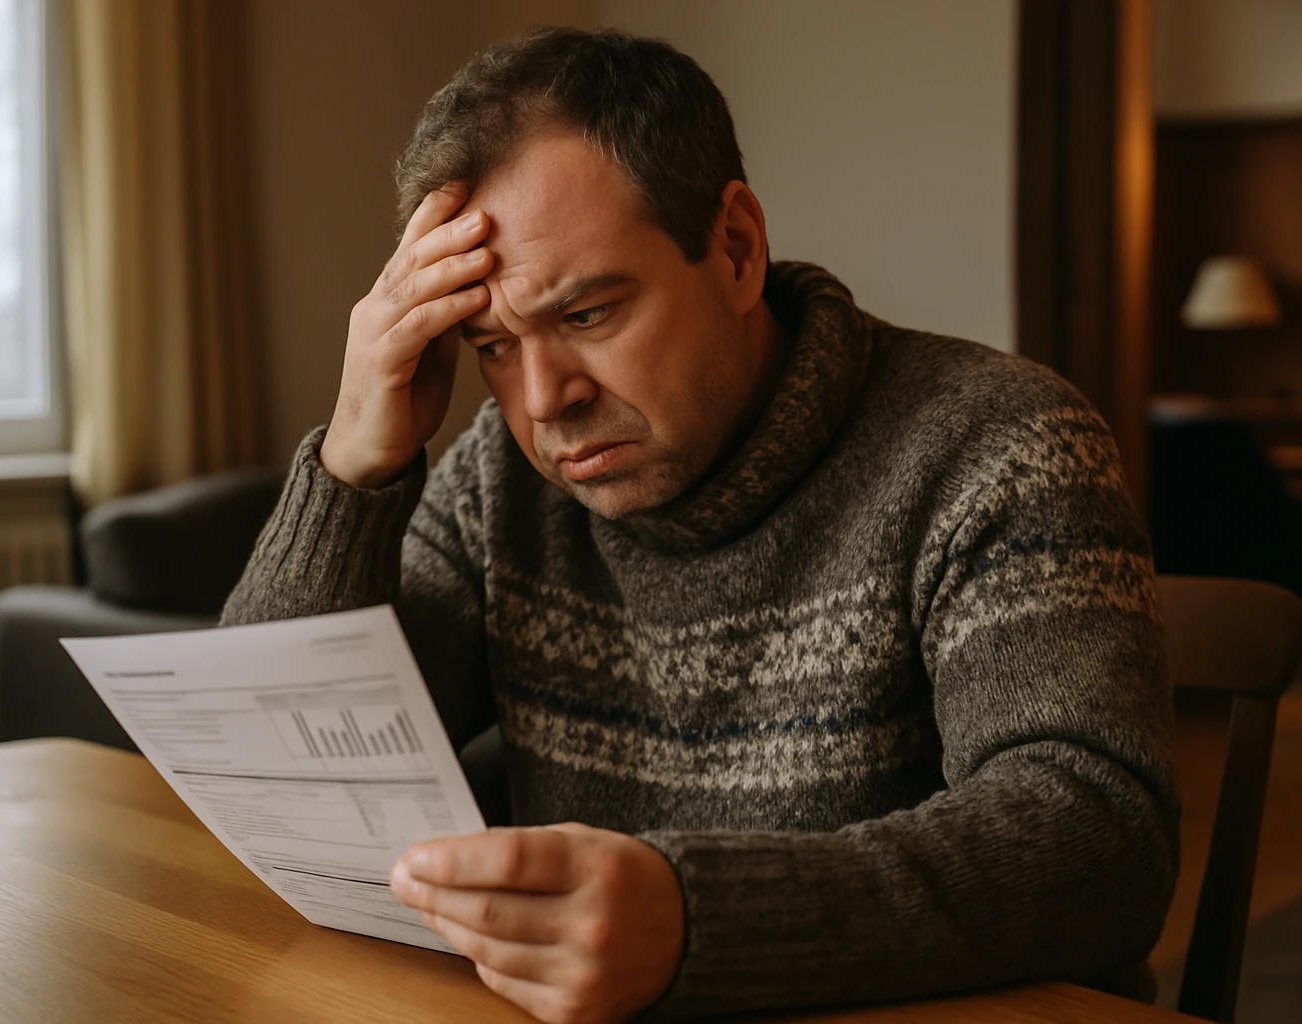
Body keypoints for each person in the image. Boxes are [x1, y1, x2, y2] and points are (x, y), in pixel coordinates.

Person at [222, 26, 1179, 1024]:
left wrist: (698, 922)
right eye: (492, 345)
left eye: (587, 313)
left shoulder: (998, 445)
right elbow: (270, 775)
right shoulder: (500, 478)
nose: (545, 400)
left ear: (734, 248)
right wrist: (354, 465)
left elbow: (1101, 840)